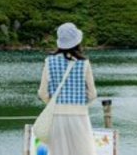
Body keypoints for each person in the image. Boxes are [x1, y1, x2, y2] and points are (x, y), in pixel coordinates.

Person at [37, 22, 98, 155]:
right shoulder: (84, 63)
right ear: (77, 42)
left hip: (56, 117)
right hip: (79, 116)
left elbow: (42, 93)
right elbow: (93, 94)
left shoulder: (49, 61)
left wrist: (54, 104)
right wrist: (80, 102)